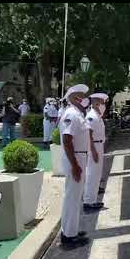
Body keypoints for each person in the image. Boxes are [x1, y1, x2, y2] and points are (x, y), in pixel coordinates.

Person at [59, 84, 91, 248]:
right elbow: (66, 140)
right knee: (72, 197)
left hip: (79, 157)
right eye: (80, 95)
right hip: (75, 159)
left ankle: (70, 230)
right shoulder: (71, 114)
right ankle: (68, 235)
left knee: (74, 196)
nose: (84, 98)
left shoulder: (78, 113)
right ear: (72, 97)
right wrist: (75, 165)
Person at [83, 93, 108, 210]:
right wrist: (93, 151)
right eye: (102, 103)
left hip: (99, 145)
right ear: (95, 103)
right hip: (94, 146)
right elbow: (88, 135)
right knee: (92, 174)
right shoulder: (91, 116)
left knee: (96, 174)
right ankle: (88, 202)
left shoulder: (98, 115)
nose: (104, 105)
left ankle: (92, 200)